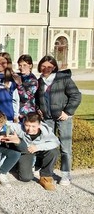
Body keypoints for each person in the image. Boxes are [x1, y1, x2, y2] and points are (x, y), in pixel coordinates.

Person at [36, 55, 81, 186]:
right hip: (48, 118)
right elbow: (38, 98)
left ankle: (66, 174)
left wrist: (68, 112)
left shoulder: (63, 78)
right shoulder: (40, 81)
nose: (46, 69)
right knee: (47, 144)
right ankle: (46, 171)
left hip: (63, 117)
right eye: (43, 66)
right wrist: (39, 108)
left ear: (54, 67)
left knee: (65, 147)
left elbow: (76, 95)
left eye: (49, 66)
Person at [10, 112, 60, 190]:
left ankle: (45, 177)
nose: (30, 129)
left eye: (33, 126)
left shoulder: (46, 131)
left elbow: (56, 142)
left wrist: (38, 147)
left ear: (39, 125)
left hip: (39, 149)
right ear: (23, 123)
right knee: (25, 178)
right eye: (27, 125)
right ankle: (24, 167)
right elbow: (6, 125)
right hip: (26, 151)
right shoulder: (19, 127)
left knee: (53, 152)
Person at [13, 54, 38, 119]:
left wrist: (19, 84)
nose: (21, 67)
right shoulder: (17, 76)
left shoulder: (33, 80)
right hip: (15, 111)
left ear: (30, 66)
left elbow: (26, 97)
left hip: (26, 113)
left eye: (24, 65)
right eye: (20, 65)